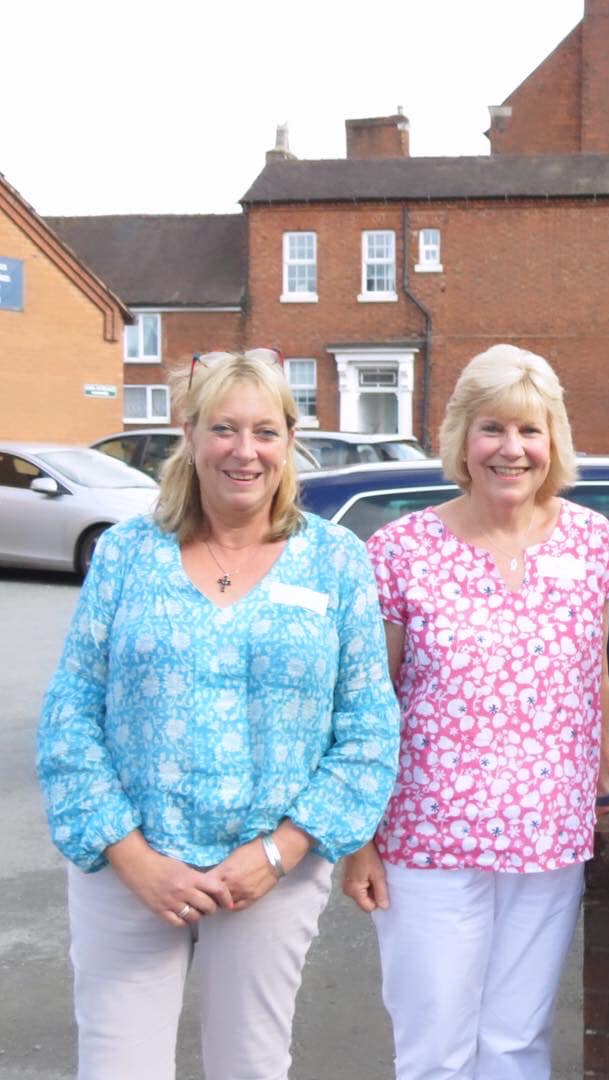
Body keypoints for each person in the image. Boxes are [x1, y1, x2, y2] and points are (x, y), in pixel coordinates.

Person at [35, 349, 400, 1080]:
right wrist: (133, 859)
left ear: (289, 442)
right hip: (130, 867)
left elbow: (367, 726)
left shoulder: (335, 561)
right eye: (224, 428)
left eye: (265, 431)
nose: (244, 451)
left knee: (251, 1066)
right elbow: (71, 712)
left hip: (267, 873)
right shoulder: (126, 554)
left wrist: (281, 853)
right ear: (190, 434)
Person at [341, 344, 609, 1080]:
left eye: (530, 431)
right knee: (435, 1046)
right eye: (492, 429)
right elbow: (371, 699)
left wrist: (608, 786)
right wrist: (357, 836)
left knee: (516, 1040)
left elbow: (591, 674)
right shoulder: (401, 550)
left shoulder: (592, 540)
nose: (512, 449)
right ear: (460, 439)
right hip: (426, 837)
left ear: (554, 441)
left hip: (549, 832)